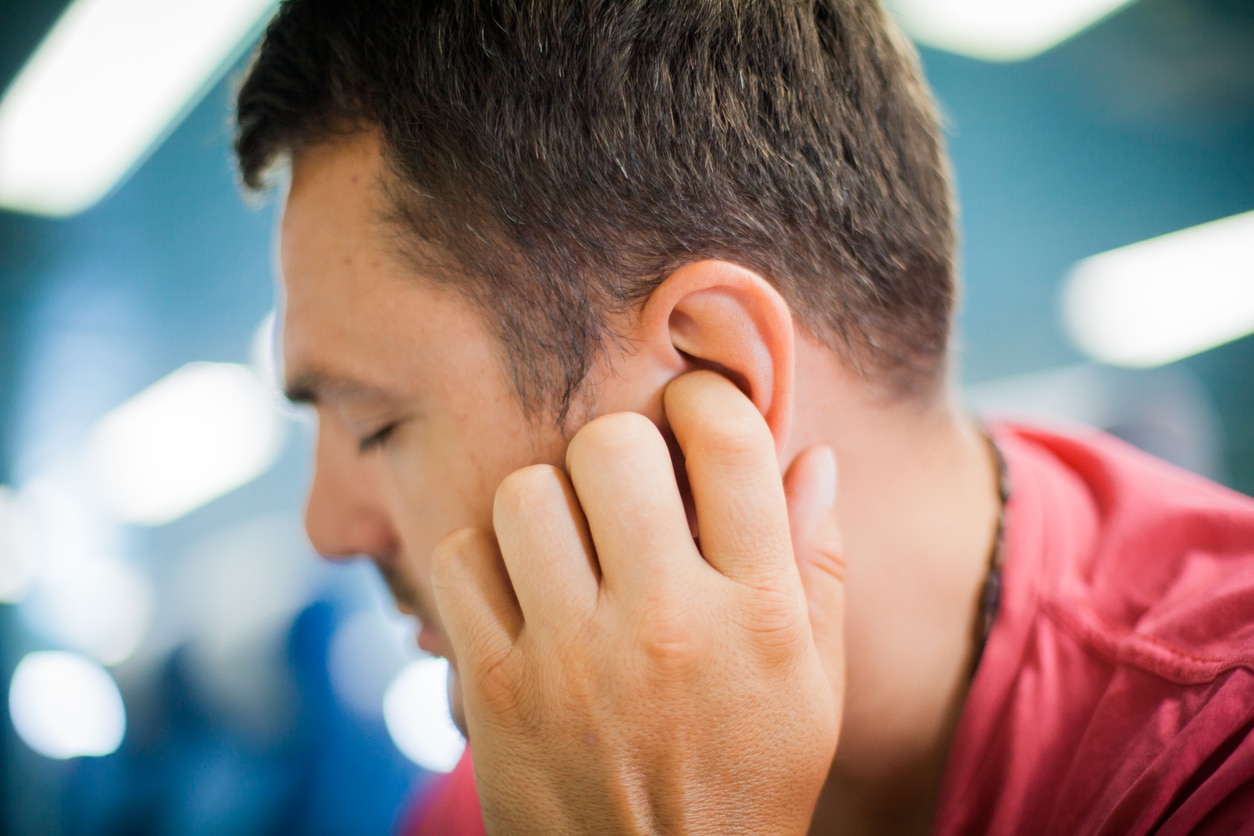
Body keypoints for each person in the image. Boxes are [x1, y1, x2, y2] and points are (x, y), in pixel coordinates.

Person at [233, 0, 1254, 832]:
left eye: (376, 425)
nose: (328, 528)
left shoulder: (1217, 754)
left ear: (712, 382)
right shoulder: (532, 780)